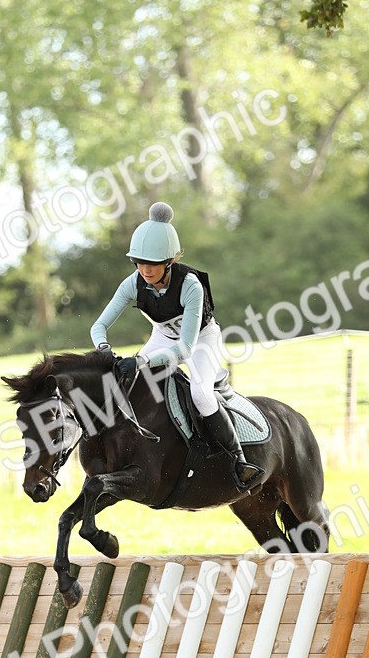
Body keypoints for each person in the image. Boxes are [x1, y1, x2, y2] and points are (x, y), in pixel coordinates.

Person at [90, 202, 264, 490]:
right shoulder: (132, 283)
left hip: (201, 341)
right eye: (139, 262)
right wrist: (104, 348)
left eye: (153, 263)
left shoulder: (190, 286)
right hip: (161, 336)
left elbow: (184, 350)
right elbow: (98, 326)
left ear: (169, 261)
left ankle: (239, 460)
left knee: (201, 394)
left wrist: (143, 362)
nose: (144, 269)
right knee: (124, 382)